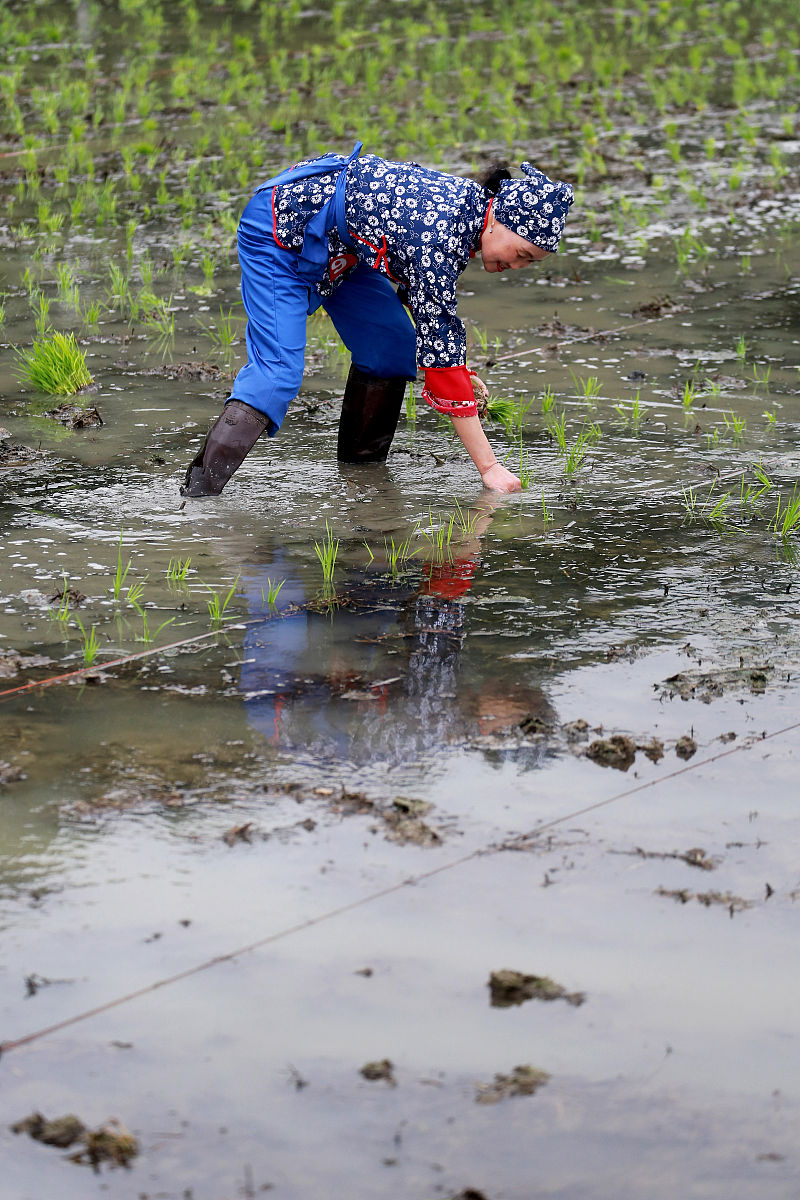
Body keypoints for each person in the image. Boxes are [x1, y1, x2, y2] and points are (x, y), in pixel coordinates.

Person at [182, 144, 573, 498]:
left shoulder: (470, 217)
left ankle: (361, 482)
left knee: (391, 347)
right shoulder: (439, 235)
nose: (516, 266)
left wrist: (456, 364)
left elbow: (429, 310)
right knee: (277, 374)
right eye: (521, 252)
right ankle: (196, 497)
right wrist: (490, 469)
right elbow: (441, 354)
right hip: (282, 232)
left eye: (530, 262)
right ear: (496, 220)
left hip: (346, 246)